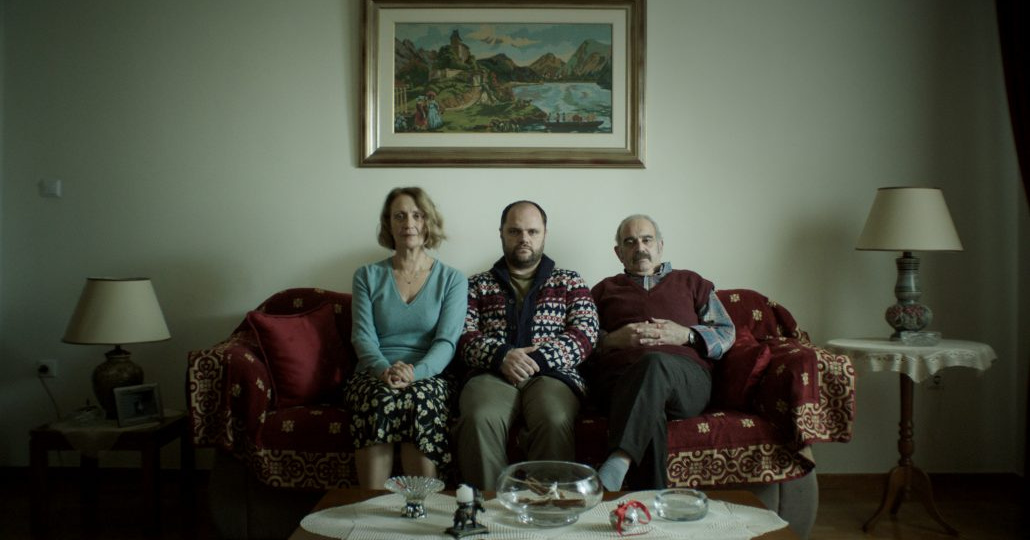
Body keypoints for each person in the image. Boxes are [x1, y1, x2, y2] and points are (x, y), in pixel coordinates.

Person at [455, 201, 599, 490]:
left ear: (545, 234)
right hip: (490, 375)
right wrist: (501, 356)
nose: (524, 239)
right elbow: (461, 333)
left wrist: (538, 360)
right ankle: (490, 509)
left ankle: (547, 507)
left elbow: (586, 333)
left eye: (532, 231)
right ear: (501, 234)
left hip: (552, 376)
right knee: (479, 417)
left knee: (554, 417)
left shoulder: (570, 281)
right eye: (515, 231)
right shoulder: (476, 284)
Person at [589, 214, 736, 491]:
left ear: (660, 245)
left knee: (654, 362)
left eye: (646, 240)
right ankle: (651, 515)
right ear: (618, 252)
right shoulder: (603, 290)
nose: (639, 247)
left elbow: (727, 332)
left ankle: (619, 457)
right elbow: (580, 341)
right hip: (621, 382)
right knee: (648, 407)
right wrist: (611, 341)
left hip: (686, 381)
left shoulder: (692, 282)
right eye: (629, 242)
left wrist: (688, 335)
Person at [345, 186, 468, 489]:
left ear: (428, 222)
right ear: (388, 224)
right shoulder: (366, 276)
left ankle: (421, 516)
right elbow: (362, 336)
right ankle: (369, 512)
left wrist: (415, 373)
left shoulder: (452, 279)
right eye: (399, 216)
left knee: (419, 399)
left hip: (429, 374)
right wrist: (384, 370)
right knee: (380, 399)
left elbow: (446, 342)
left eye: (417, 215)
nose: (408, 223)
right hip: (375, 371)